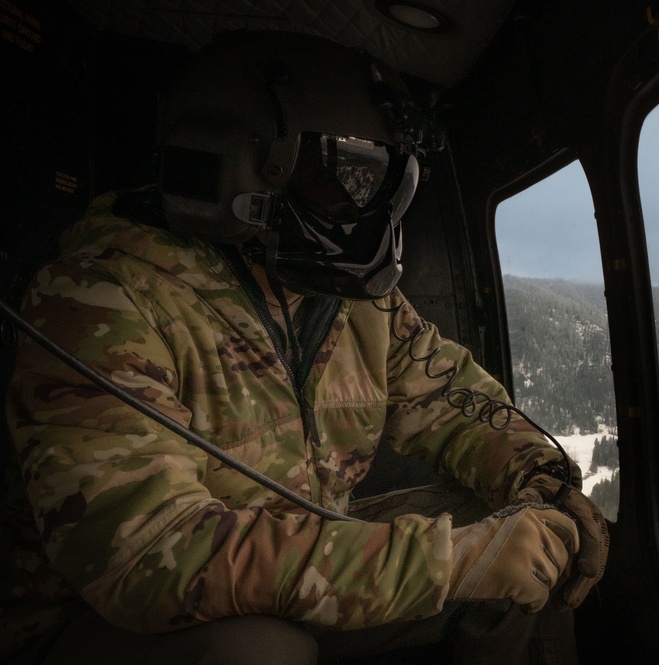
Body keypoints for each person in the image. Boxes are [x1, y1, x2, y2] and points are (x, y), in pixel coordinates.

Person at [0, 31, 608, 664]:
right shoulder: (101, 298)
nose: (364, 211)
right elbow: (147, 554)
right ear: (232, 166)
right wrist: (447, 564)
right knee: (258, 650)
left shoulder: (345, 297)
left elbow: (448, 395)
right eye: (343, 180)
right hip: (109, 619)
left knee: (527, 546)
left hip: (299, 566)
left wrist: (540, 480)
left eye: (380, 184)